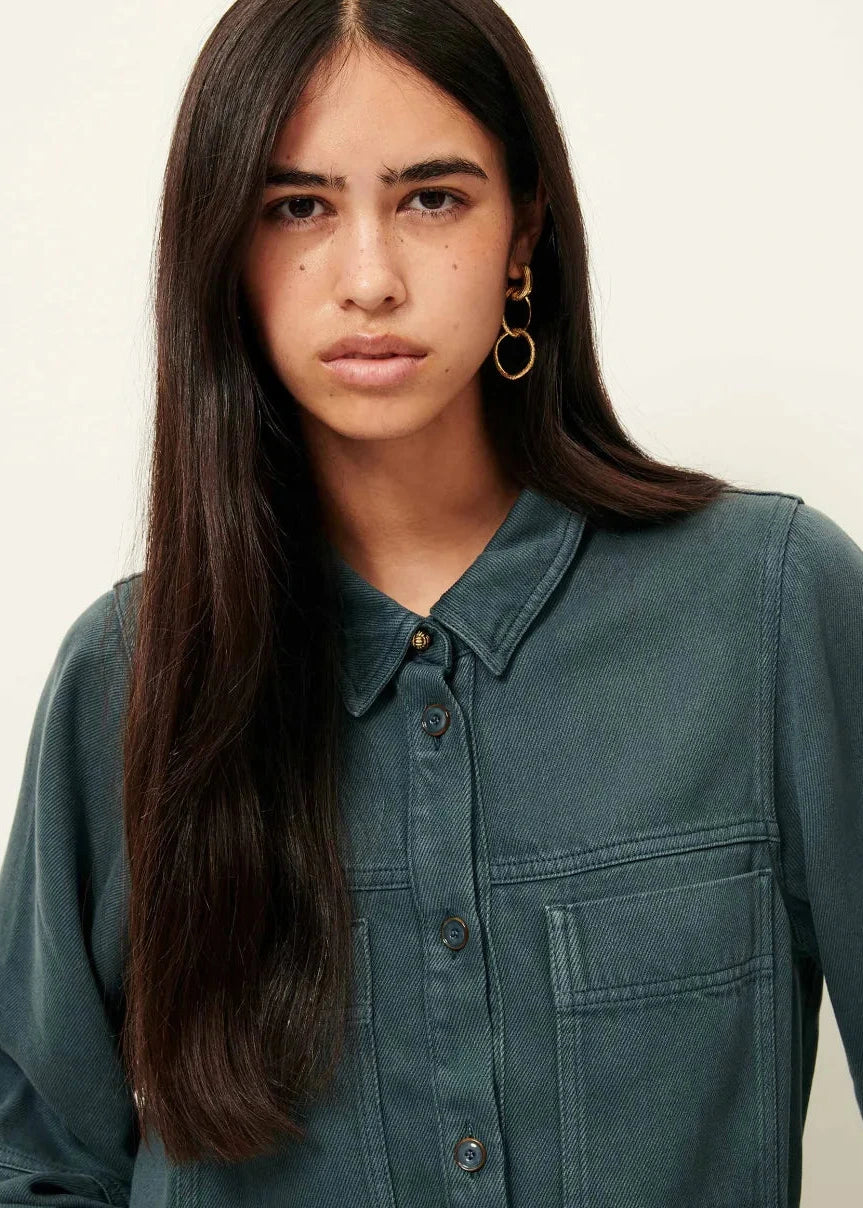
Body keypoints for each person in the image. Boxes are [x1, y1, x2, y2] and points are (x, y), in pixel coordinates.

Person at [1, 0, 861, 1205]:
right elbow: (34, 1163)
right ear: (223, 253)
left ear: (524, 235)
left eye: (432, 198)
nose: (368, 278)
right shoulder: (130, 674)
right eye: (295, 206)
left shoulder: (767, 607)